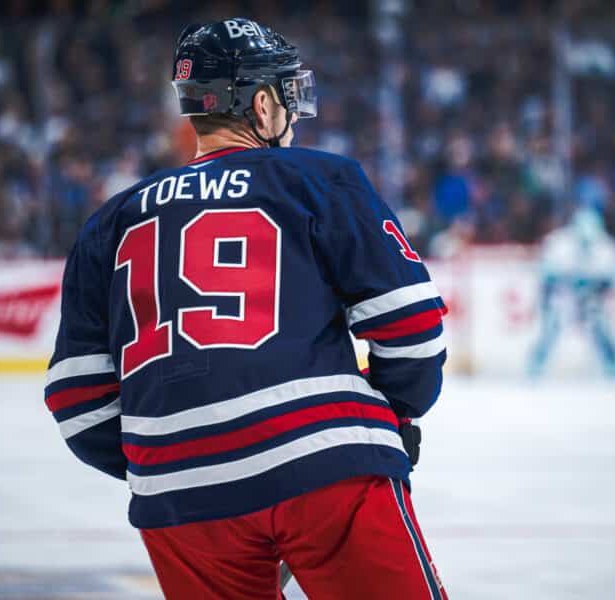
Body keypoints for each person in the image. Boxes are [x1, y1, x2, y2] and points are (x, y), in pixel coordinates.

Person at [43, 19, 448, 599]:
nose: (292, 113)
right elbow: (411, 326)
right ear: (261, 105)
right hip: (322, 463)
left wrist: (172, 459)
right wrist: (396, 412)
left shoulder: (109, 222)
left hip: (179, 502)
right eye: (286, 96)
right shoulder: (319, 178)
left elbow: (76, 399)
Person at [528, 207, 615, 377]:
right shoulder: (558, 243)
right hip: (563, 295)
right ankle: (535, 366)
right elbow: (545, 273)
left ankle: (612, 367)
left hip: (592, 297)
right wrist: (568, 280)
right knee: (551, 327)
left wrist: (591, 284)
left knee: (601, 327)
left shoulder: (606, 246)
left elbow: (612, 278)